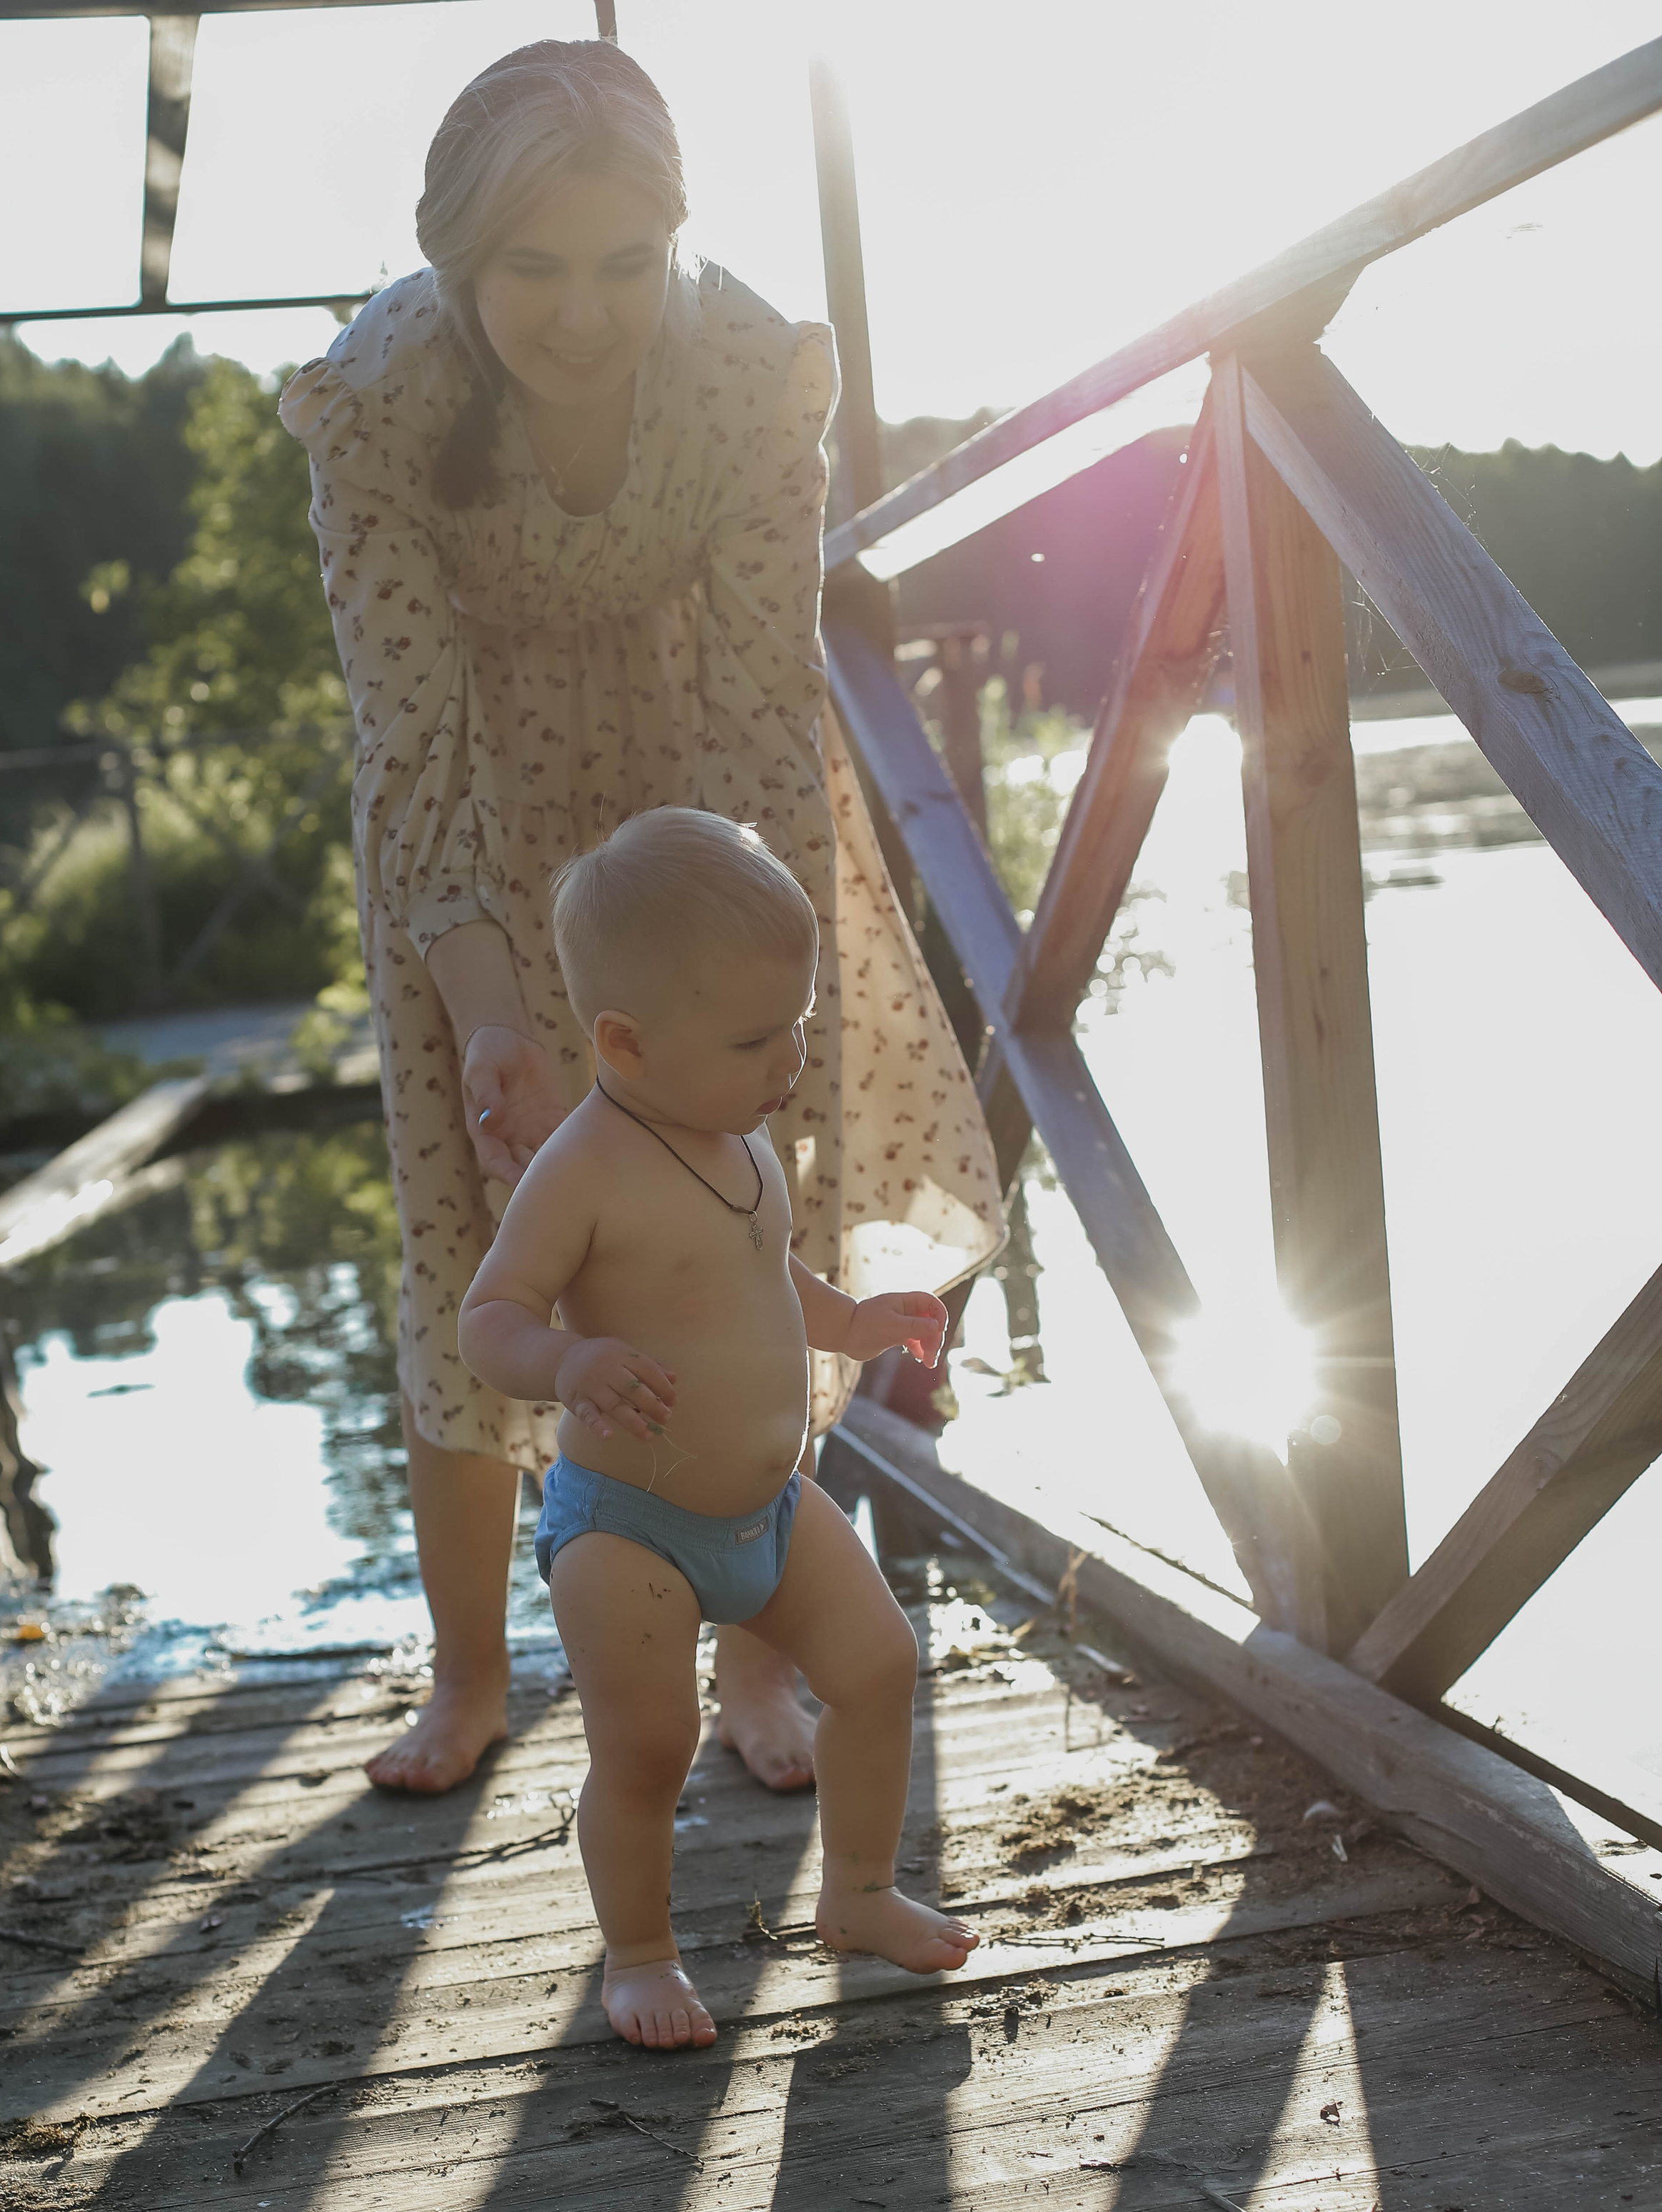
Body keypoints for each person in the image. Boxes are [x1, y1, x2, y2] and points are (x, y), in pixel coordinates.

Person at [281, 38, 1001, 1802]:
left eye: (621, 264)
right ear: (457, 253)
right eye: (530, 268)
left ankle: (756, 1655)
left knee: (743, 1217)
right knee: (473, 1235)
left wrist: (737, 942)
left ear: (672, 243)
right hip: (472, 818)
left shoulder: (754, 368)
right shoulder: (374, 400)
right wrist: (489, 1017)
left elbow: (765, 685)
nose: (579, 315)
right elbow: (410, 727)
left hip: (697, 788)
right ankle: (471, 1677)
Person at [458, 810, 982, 2049]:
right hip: (630, 1527)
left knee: (878, 1667)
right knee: (648, 1746)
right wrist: (568, 1358)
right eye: (757, 1037)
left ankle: (857, 1894)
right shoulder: (581, 1169)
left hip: (769, 1502)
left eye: (797, 1023)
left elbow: (763, 1272)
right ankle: (639, 1955)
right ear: (625, 1045)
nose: (790, 1056)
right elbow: (489, 1319)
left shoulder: (740, 1135)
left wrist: (850, 1321)